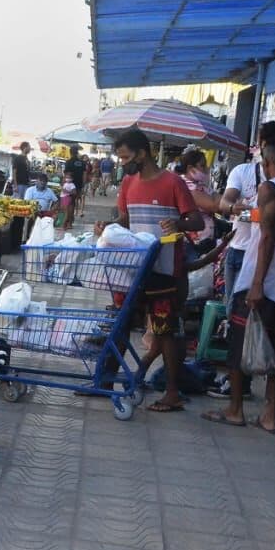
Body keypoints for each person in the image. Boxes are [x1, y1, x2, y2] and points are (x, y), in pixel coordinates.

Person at [202, 142, 275, 434]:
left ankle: (235, 410)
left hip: (261, 284)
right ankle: (269, 415)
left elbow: (267, 238)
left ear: (267, 162)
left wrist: (256, 284)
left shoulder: (270, 189)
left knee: (239, 349)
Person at [96, 128, 203, 412]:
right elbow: (124, 219)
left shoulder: (173, 182)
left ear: (142, 154)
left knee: (165, 331)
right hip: (134, 268)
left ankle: (172, 393)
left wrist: (179, 224)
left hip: (166, 271)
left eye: (126, 157)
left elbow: (197, 222)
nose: (122, 163)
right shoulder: (128, 183)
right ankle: (103, 382)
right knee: (121, 323)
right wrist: (109, 228)